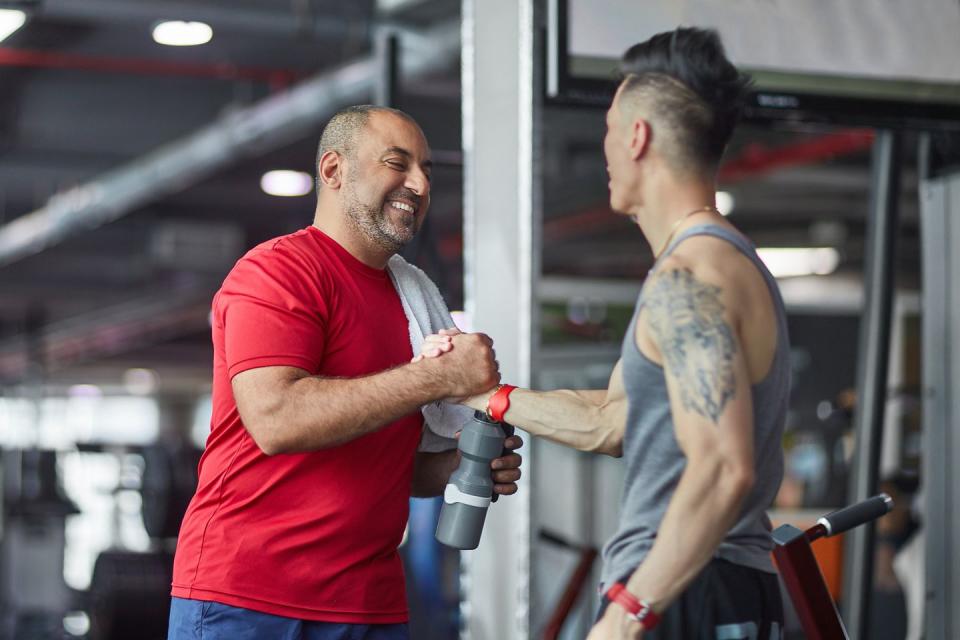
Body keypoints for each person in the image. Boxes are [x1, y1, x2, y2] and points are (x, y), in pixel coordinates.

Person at [422, 27, 788, 639]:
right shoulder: (713, 265)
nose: (606, 152)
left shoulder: (689, 276)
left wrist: (627, 614)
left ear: (638, 137)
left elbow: (725, 467)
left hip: (687, 590)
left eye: (609, 131)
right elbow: (615, 421)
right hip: (698, 587)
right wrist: (486, 397)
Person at [167, 105, 523, 640]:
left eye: (427, 169)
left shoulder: (410, 300)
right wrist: (437, 378)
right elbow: (277, 420)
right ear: (333, 171)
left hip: (367, 603)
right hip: (249, 597)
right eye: (397, 163)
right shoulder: (278, 272)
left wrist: (455, 465)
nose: (420, 184)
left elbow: (384, 467)